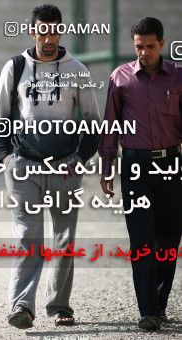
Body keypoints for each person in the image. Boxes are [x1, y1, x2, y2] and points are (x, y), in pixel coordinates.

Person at [0, 4, 100, 329]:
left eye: (54, 30)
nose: (48, 37)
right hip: (24, 167)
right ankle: (22, 306)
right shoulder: (15, 67)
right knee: (28, 236)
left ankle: (59, 307)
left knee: (64, 239)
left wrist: (80, 160)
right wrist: (6, 158)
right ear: (32, 30)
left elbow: (93, 120)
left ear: (61, 31)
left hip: (65, 167)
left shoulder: (77, 69)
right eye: (42, 29)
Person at [98, 17, 182, 331]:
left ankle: (159, 304)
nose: (144, 52)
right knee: (141, 240)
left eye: (149, 46)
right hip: (134, 168)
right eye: (138, 47)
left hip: (172, 165)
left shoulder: (178, 76)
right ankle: (147, 310)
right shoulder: (120, 78)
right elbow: (110, 126)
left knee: (169, 239)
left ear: (161, 43)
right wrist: (106, 167)